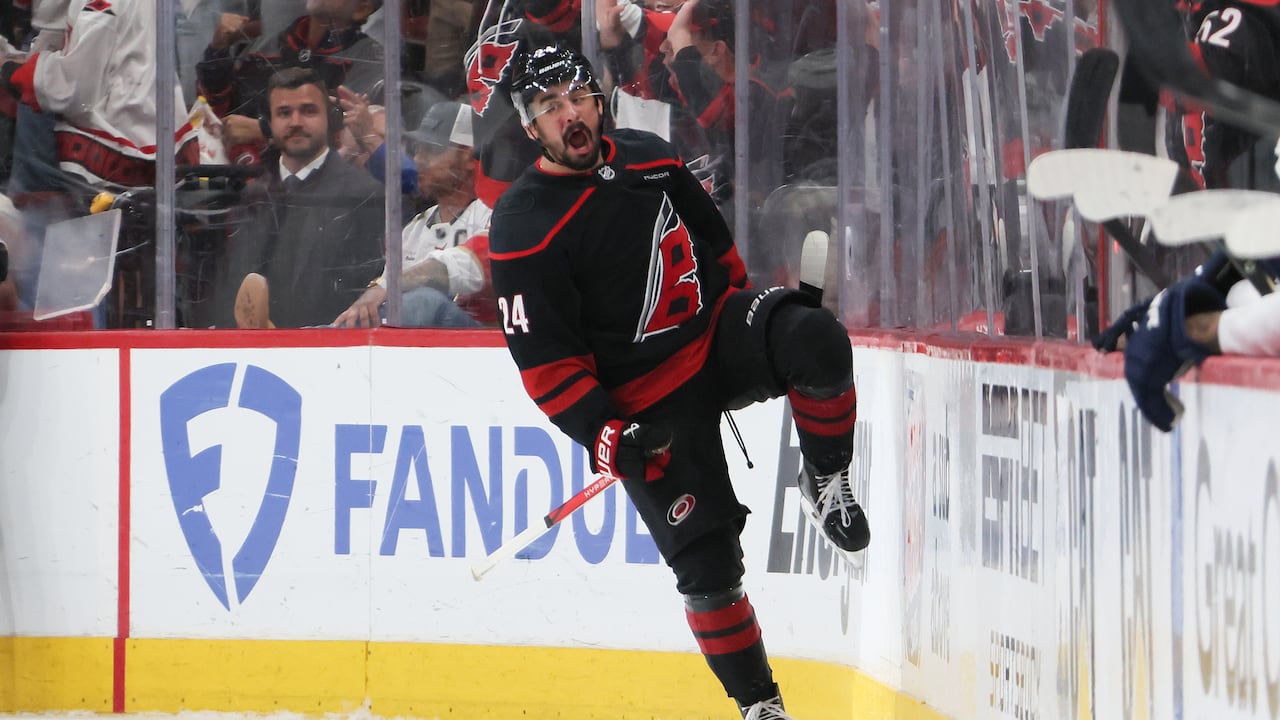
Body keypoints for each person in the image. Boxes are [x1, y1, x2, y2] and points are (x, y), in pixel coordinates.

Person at [487, 44, 868, 719]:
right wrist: (607, 434)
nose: (567, 114)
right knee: (707, 570)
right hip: (646, 404)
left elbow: (717, 247)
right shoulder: (522, 227)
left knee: (812, 334)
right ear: (529, 128)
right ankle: (761, 706)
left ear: (597, 98)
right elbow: (545, 364)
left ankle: (825, 476)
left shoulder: (650, 157)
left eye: (575, 96)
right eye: (548, 108)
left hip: (713, 337)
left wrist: (759, 329)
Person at [220, 66, 384, 329]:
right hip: (256, 357)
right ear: (270, 123)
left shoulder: (363, 193)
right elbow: (235, 291)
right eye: (284, 113)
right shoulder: (254, 196)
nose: (295, 122)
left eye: (308, 111)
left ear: (329, 119)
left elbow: (363, 292)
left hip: (332, 355)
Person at [334, 100, 494, 328]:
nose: (419, 159)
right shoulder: (413, 230)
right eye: (418, 149)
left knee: (427, 301)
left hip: (487, 348)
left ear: (468, 156)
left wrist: (389, 286)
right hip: (417, 353)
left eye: (433, 149)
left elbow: (476, 266)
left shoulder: (495, 213)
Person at [196, 0, 385, 166]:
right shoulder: (267, 44)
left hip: (312, 192)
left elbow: (350, 133)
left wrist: (265, 130)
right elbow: (216, 106)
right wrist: (218, 49)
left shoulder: (368, 60)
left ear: (361, 9)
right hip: (237, 177)